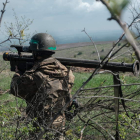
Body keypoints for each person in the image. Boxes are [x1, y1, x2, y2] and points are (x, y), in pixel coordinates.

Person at [10, 33, 75, 140]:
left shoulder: (35, 76)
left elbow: (15, 89)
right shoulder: (67, 72)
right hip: (59, 122)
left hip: (39, 125)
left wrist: (18, 74)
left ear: (35, 51)